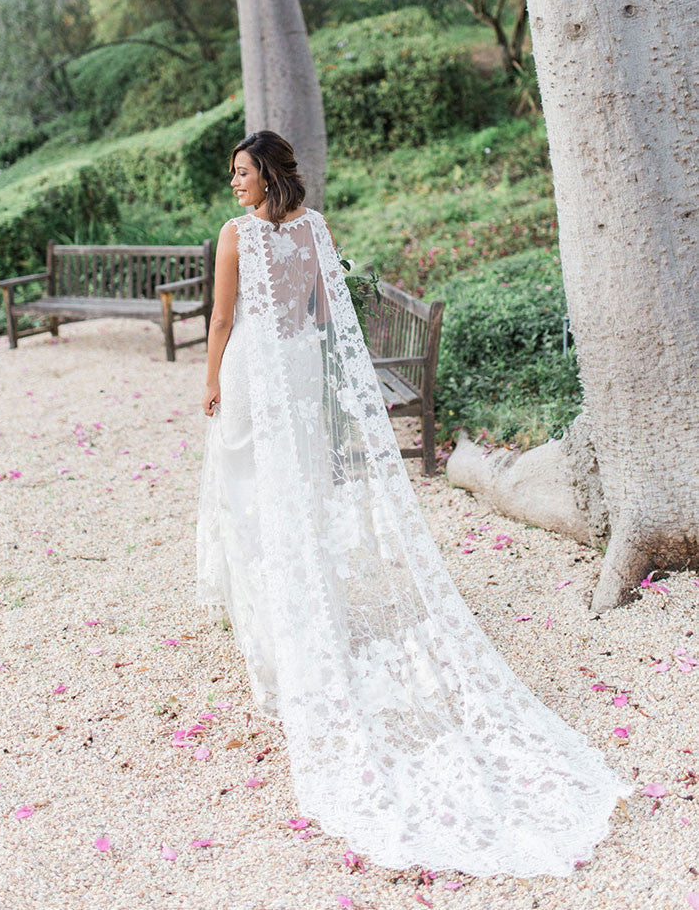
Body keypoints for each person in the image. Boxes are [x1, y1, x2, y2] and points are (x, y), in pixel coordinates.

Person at [195, 130, 634, 877]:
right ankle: (303, 605)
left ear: (265, 173)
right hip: (298, 369)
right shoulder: (315, 230)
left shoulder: (235, 237)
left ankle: (280, 629)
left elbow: (223, 321)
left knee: (253, 497)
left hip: (255, 375)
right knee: (298, 489)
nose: (234, 184)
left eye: (241, 172)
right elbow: (327, 321)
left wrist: (210, 381)